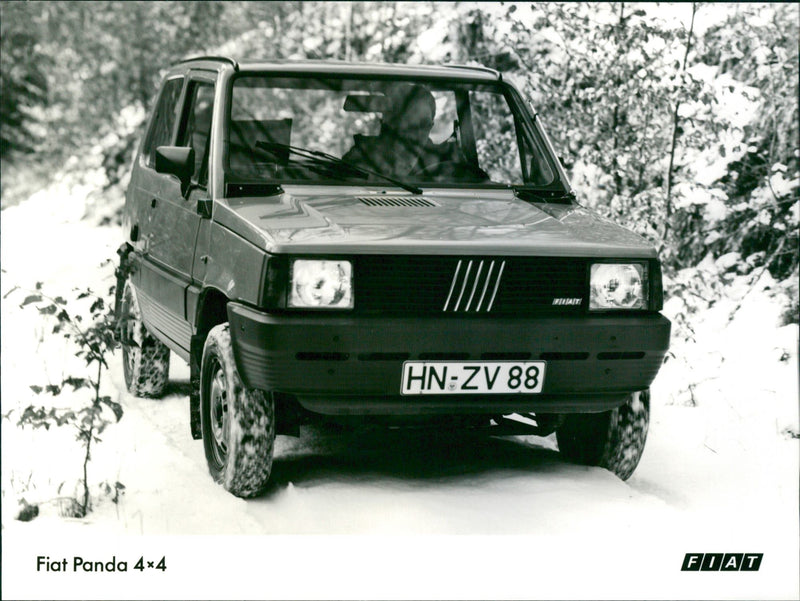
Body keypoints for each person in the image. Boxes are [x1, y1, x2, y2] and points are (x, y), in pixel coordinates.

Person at [342, 83, 461, 179]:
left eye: (424, 124)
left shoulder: (442, 162)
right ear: (392, 124)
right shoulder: (362, 157)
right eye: (411, 123)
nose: (419, 133)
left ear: (431, 126)